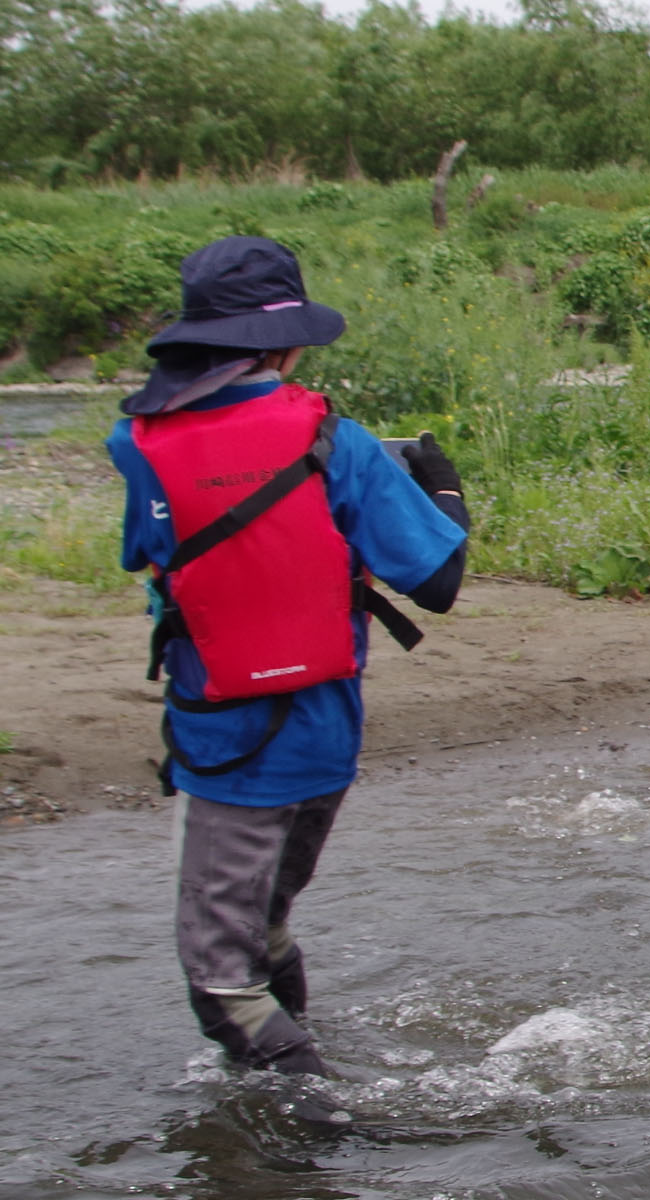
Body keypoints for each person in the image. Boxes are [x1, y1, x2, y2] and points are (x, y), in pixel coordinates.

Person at [105, 236, 470, 1076]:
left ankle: (324, 1129)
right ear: (286, 342)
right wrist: (441, 485)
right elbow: (439, 582)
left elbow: (150, 547)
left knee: (221, 986)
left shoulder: (137, 445)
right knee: (265, 930)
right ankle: (303, 1095)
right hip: (325, 740)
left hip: (225, 744)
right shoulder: (339, 444)